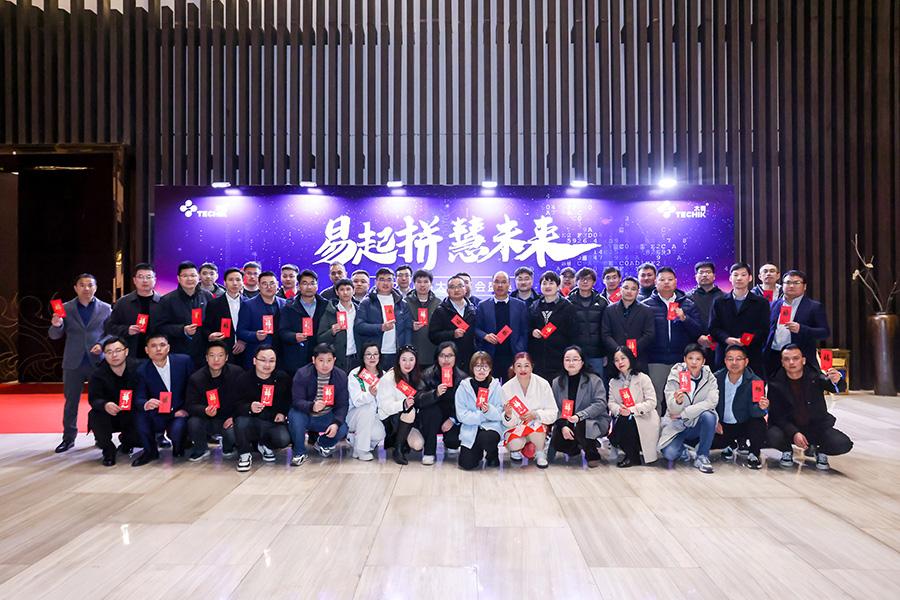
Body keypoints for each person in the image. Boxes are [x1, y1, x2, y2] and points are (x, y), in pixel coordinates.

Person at [48, 272, 112, 453]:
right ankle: (68, 439)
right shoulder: (64, 308)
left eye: (90, 285)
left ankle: (100, 436)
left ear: (96, 288)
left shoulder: (106, 308)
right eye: (82, 285)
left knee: (99, 401)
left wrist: (102, 345)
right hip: (73, 363)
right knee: (71, 403)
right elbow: (54, 335)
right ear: (75, 288)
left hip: (97, 362)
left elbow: (111, 333)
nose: (86, 288)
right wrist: (57, 325)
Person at [766, 344, 851, 470]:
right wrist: (794, 433)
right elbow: (776, 415)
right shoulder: (775, 382)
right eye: (787, 359)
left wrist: (837, 380)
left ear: (803, 360)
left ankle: (820, 452)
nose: (791, 362)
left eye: (796, 358)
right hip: (788, 428)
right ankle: (787, 451)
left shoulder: (815, 377)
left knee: (843, 443)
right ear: (782, 362)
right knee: (771, 435)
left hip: (815, 427)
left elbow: (835, 387)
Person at [642, 267, 704, 411]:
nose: (666, 283)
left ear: (676, 282)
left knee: (683, 397)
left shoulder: (688, 304)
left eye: (670, 279)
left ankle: (683, 425)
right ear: (656, 282)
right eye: (662, 280)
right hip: (656, 361)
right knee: (654, 399)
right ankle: (655, 426)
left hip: (681, 361)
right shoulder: (646, 305)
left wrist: (684, 318)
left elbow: (698, 331)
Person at [132, 333, 193, 466]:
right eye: (153, 346)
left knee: (177, 431)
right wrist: (146, 403)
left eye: (162, 345)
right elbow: (139, 397)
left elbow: (194, 389)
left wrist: (186, 409)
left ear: (168, 348)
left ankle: (180, 444)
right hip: (158, 413)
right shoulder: (142, 370)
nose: (158, 349)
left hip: (179, 411)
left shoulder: (183, 361)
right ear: (147, 350)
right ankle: (150, 451)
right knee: (141, 415)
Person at [658, 343, 719, 473]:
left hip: (697, 422)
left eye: (698, 359)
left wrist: (684, 413)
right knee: (669, 454)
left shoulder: (710, 377)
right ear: (685, 359)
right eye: (690, 358)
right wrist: (677, 402)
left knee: (709, 416)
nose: (694, 362)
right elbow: (672, 410)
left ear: (703, 361)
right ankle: (683, 448)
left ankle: (702, 456)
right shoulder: (675, 376)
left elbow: (712, 401)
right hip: (677, 425)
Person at [288, 343, 350, 465]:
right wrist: (312, 406)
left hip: (326, 416)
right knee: (295, 415)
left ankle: (322, 443)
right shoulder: (302, 374)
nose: (325, 365)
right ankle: (300, 452)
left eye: (329, 360)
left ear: (334, 360)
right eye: (321, 360)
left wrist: (336, 423)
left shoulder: (341, 376)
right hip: (305, 414)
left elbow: (342, 405)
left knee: (342, 428)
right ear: (313, 360)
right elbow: (297, 401)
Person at [233, 345, 292, 471]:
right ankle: (244, 454)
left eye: (271, 361)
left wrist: (282, 412)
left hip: (272, 422)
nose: (267, 364)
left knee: (284, 438)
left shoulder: (282, 378)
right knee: (240, 421)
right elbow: (236, 404)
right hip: (251, 421)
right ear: (255, 361)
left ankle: (264, 445)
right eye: (263, 360)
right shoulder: (243, 379)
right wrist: (250, 407)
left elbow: (288, 400)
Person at [549, 346, 610, 468]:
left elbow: (600, 403)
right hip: (567, 420)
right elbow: (554, 407)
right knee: (559, 441)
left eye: (575, 359)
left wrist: (579, 416)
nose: (571, 363)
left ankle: (592, 453)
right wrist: (563, 425)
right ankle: (574, 448)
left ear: (582, 362)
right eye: (567, 360)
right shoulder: (557, 382)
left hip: (592, 420)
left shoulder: (594, 380)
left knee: (582, 425)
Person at [86, 337, 143, 466]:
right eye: (109, 352)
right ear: (104, 354)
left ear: (126, 352)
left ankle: (127, 441)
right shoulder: (98, 373)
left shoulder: (139, 368)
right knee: (95, 415)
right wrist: (105, 405)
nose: (114, 355)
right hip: (110, 414)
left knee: (141, 436)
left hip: (133, 413)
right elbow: (93, 398)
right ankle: (108, 451)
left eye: (118, 351)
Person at [764, 270, 831, 376]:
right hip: (774, 357)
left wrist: (801, 329)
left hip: (801, 359)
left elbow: (825, 333)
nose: (791, 286)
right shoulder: (772, 305)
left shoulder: (814, 307)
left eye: (796, 283)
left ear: (804, 286)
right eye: (788, 283)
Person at [184, 341, 243, 461]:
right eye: (212, 355)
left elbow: (244, 399)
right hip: (207, 419)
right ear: (206, 358)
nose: (216, 359)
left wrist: (234, 416)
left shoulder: (237, 373)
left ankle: (228, 447)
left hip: (228, 419)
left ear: (226, 357)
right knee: (193, 422)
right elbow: (190, 404)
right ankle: (201, 449)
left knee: (234, 430)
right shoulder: (196, 378)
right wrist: (204, 410)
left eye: (220, 355)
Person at [709, 262, 770, 377]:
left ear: (750, 278)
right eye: (735, 275)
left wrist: (744, 340)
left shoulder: (761, 302)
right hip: (724, 352)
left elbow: (764, 330)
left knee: (751, 385)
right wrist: (726, 339)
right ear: (730, 278)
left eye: (743, 275)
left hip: (751, 353)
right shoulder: (719, 301)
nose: (739, 278)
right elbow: (713, 328)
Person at [712, 345, 769, 469]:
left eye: (738, 359)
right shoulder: (715, 379)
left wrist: (761, 407)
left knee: (758, 423)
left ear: (746, 361)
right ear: (725, 361)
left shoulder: (755, 382)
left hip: (744, 424)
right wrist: (714, 420)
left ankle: (754, 453)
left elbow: (756, 413)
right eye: (730, 359)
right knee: (709, 439)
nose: (734, 363)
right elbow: (708, 403)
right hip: (723, 425)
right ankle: (730, 444)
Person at [500, 352, 557, 468]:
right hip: (516, 427)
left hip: (537, 428)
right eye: (519, 366)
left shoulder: (543, 384)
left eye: (526, 365)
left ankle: (540, 452)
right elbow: (508, 422)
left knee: (535, 425)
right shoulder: (506, 388)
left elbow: (553, 412)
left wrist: (536, 414)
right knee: (515, 443)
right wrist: (508, 415)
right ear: (513, 368)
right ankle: (516, 450)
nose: (523, 369)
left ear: (532, 367)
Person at [606, 346, 660, 467]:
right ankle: (631, 454)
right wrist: (619, 409)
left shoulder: (643, 378)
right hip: (624, 416)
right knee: (625, 420)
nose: (620, 362)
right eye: (616, 360)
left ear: (630, 358)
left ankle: (631, 456)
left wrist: (631, 410)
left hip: (644, 417)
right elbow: (611, 402)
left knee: (626, 421)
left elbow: (652, 402)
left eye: (623, 358)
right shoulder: (613, 382)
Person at [155, 260, 214, 369]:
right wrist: (182, 329)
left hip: (204, 353)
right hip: (179, 353)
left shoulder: (207, 296)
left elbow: (212, 322)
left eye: (193, 275)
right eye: (185, 276)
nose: (189, 279)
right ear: (178, 278)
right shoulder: (167, 300)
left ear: (198, 277)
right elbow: (159, 327)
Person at [417, 341, 468, 464]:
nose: (446, 360)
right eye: (442, 356)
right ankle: (429, 452)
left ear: (455, 357)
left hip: (452, 416)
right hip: (432, 416)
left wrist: (453, 419)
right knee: (431, 412)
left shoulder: (463, 378)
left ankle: (449, 442)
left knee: (453, 443)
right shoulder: (427, 374)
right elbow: (418, 399)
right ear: (437, 357)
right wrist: (435, 394)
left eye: (450, 356)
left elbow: (467, 405)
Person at [474, 271, 529, 380]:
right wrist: (485, 336)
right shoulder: (483, 305)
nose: (500, 285)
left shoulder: (519, 305)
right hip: (491, 355)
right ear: (492, 284)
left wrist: (519, 350)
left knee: (512, 388)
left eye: (503, 282)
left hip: (512, 354)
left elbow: (524, 331)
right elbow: (476, 328)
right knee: (489, 387)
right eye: (497, 282)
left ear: (509, 285)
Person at [376, 345, 426, 465]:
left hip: (409, 420)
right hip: (391, 419)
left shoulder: (416, 376)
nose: (407, 363)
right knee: (409, 412)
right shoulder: (388, 378)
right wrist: (403, 404)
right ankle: (397, 449)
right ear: (398, 360)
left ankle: (403, 442)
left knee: (418, 445)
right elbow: (385, 406)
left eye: (411, 359)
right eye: (404, 359)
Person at [454, 351, 504, 470]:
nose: (481, 370)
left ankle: (492, 453)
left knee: (488, 439)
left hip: (490, 428)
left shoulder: (496, 386)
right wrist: (483, 416)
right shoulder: (463, 387)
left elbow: (500, 413)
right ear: (472, 368)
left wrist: (489, 410)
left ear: (490, 368)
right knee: (467, 464)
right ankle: (477, 451)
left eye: (485, 366)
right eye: (478, 366)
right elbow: (461, 415)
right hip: (471, 428)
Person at [356, 267, 412, 370]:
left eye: (389, 280)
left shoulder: (401, 303)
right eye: (382, 280)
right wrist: (380, 327)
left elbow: (407, 328)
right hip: (374, 354)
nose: (385, 283)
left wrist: (407, 349)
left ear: (393, 282)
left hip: (396, 353)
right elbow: (359, 326)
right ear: (375, 282)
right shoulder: (367, 303)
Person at [527, 271, 578, 381]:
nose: (547, 286)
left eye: (551, 283)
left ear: (558, 286)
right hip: (538, 360)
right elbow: (527, 328)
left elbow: (573, 334)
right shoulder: (534, 306)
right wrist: (532, 332)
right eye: (544, 283)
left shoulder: (567, 307)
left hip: (559, 359)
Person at [104, 263, 161, 359]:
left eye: (148, 277)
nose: (145, 280)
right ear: (134, 280)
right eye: (140, 277)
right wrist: (127, 330)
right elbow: (110, 326)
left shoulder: (163, 302)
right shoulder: (123, 303)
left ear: (154, 280)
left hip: (158, 354)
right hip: (131, 355)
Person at [601, 276, 655, 372]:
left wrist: (630, 351)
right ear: (620, 290)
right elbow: (606, 335)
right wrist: (619, 351)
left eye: (633, 289)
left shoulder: (646, 310)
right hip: (615, 359)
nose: (629, 291)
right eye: (626, 288)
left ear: (638, 292)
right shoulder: (609, 310)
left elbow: (649, 335)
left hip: (638, 359)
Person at [279, 269, 328, 372]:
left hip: (321, 357)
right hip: (297, 357)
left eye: (312, 283)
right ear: (299, 286)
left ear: (317, 286)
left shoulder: (326, 306)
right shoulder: (289, 307)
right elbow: (282, 332)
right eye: (305, 283)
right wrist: (294, 337)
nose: (309, 287)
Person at [346, 342, 387, 461]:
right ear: (363, 357)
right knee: (366, 408)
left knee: (379, 434)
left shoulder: (384, 375)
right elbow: (356, 401)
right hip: (354, 414)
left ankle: (356, 443)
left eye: (375, 354)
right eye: (368, 354)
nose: (372, 357)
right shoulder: (355, 374)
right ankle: (362, 450)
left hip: (373, 416)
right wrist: (370, 395)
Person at [237, 271, 286, 369]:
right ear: (259, 286)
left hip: (281, 356)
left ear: (277, 284)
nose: (269, 287)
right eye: (264, 284)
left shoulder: (285, 304)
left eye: (272, 283)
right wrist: (255, 335)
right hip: (258, 356)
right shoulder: (248, 305)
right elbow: (240, 331)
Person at [429, 274, 477, 369]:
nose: (456, 290)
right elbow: (432, 335)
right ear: (447, 291)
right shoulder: (441, 310)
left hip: (469, 359)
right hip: (448, 360)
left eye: (460, 286)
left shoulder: (472, 309)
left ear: (465, 289)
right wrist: (452, 334)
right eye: (452, 287)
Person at [567, 267, 609, 374]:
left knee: (597, 382)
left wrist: (606, 353)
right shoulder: (568, 302)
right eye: (582, 279)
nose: (585, 282)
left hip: (597, 354)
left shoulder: (602, 302)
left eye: (588, 279)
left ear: (594, 282)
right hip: (575, 354)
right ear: (576, 282)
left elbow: (606, 329)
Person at [201, 266, 247, 364]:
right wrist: (210, 336)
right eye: (231, 280)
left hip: (246, 351)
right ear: (225, 283)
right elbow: (206, 327)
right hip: (222, 350)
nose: (235, 283)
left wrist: (244, 341)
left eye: (238, 280)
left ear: (243, 282)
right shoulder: (214, 304)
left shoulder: (249, 303)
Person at [686, 261, 726, 364]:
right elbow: (686, 323)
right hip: (694, 345)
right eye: (701, 272)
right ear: (696, 277)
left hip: (719, 344)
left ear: (714, 276)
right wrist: (698, 337)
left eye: (708, 272)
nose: (704, 275)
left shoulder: (724, 297)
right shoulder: (687, 298)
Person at [317, 278, 360, 373]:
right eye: (341, 289)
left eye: (348, 289)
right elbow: (320, 339)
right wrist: (331, 332)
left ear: (353, 291)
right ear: (337, 292)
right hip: (337, 360)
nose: (345, 292)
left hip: (357, 359)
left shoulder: (360, 311)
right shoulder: (330, 312)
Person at [405, 268, 440, 369]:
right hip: (411, 353)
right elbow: (399, 322)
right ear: (414, 283)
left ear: (431, 283)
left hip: (432, 352)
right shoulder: (405, 302)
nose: (422, 285)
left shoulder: (438, 303)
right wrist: (411, 325)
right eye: (419, 282)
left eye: (426, 282)